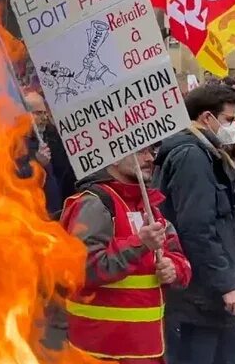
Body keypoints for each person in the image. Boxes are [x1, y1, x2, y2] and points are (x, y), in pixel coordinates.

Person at [60, 147, 192, 363]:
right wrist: (139, 244)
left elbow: (179, 257)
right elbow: (83, 268)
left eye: (151, 151)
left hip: (146, 348)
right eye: (140, 152)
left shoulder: (149, 206)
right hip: (103, 350)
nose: (150, 158)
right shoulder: (93, 203)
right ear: (112, 157)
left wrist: (173, 268)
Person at [153, 84, 235, 364]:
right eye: (229, 119)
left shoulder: (207, 153)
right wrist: (225, 286)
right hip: (200, 296)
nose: (234, 126)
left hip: (210, 294)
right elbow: (197, 228)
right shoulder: (192, 157)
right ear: (207, 117)